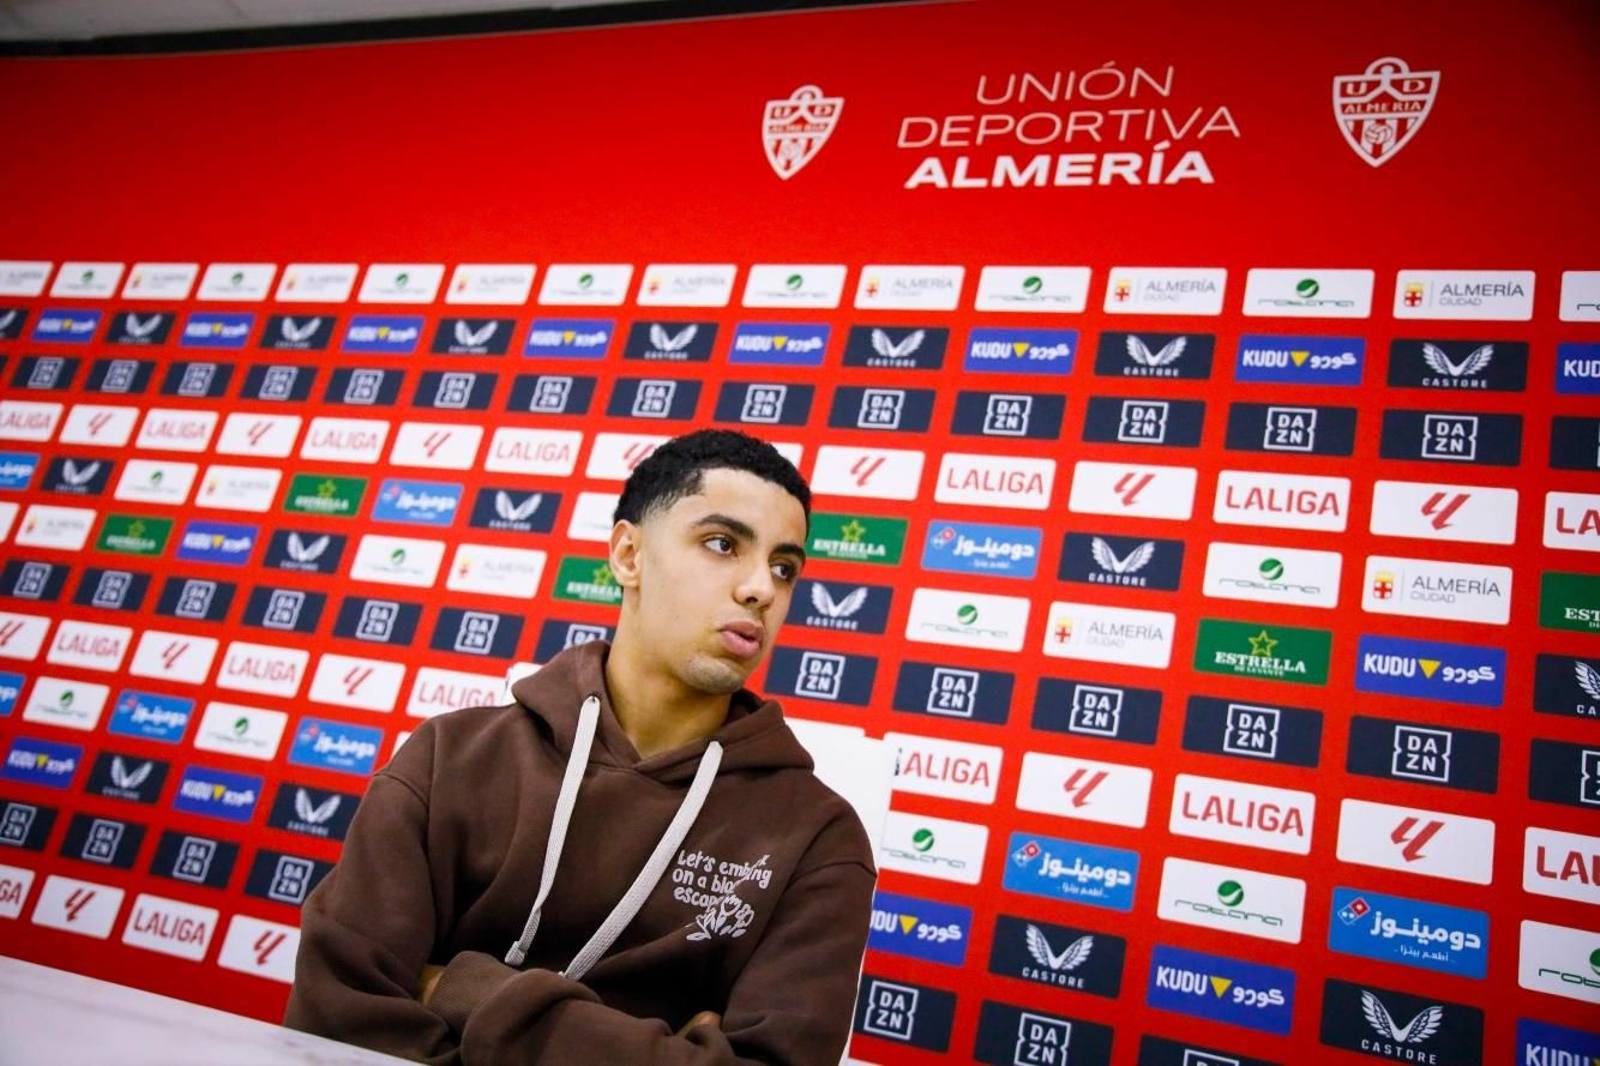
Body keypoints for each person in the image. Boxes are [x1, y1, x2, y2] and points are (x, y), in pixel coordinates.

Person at [284, 429, 877, 1065]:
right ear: (628, 555)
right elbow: (334, 1024)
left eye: (784, 567)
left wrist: (462, 990)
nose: (761, 587)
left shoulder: (820, 841)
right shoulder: (447, 759)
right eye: (721, 544)